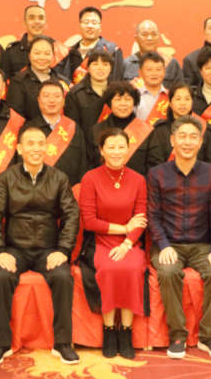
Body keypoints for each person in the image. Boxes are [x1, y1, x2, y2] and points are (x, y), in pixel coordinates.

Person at [0, 125, 80, 365]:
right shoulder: (7, 178)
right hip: (14, 249)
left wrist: (63, 250)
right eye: (30, 144)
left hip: (48, 249)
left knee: (63, 277)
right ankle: (1, 342)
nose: (36, 149)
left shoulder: (59, 178)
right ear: (19, 149)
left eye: (40, 144)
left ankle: (62, 343)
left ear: (47, 147)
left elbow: (71, 215)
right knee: (1, 276)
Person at [148, 115, 211, 360]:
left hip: (201, 244)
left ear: (201, 142)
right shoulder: (157, 174)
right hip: (168, 243)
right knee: (168, 271)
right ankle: (177, 335)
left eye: (193, 137)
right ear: (172, 140)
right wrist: (163, 245)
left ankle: (208, 336)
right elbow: (152, 215)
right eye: (182, 136)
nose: (187, 142)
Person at [78, 128, 148, 360]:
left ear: (128, 149)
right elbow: (89, 221)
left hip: (130, 243)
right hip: (101, 240)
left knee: (131, 267)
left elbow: (140, 219)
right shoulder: (90, 178)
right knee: (108, 267)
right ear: (101, 150)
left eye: (121, 147)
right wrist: (124, 228)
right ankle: (109, 330)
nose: (116, 152)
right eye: (111, 147)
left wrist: (127, 242)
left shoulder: (138, 179)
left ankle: (126, 331)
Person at [24, 80, 90, 186]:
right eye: (46, 96)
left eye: (57, 96)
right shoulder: (28, 130)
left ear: (63, 100)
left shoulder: (75, 129)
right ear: (39, 100)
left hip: (69, 191)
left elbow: (83, 165)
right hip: (36, 190)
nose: (52, 100)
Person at [146, 82, 211, 167]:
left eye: (187, 99)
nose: (183, 103)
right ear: (170, 103)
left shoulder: (206, 129)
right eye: (178, 99)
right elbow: (155, 163)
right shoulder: (159, 130)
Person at [89, 82, 155, 176]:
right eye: (118, 99)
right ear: (110, 103)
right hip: (102, 183)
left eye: (127, 99)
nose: (123, 104)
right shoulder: (96, 130)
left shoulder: (147, 131)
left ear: (134, 102)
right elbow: (90, 163)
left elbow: (154, 166)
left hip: (137, 184)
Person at [7, 36, 70, 122]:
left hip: (59, 129)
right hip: (30, 129)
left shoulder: (62, 81)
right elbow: (15, 118)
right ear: (29, 55)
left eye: (47, 53)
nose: (42, 58)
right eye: (37, 53)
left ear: (53, 56)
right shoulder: (18, 81)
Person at [59, 7, 124, 83]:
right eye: (86, 22)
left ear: (100, 27)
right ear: (79, 27)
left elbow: (116, 82)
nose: (90, 26)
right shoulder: (69, 52)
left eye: (94, 22)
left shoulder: (112, 51)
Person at [1, 5, 64, 78]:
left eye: (40, 18)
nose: (37, 22)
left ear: (46, 24)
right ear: (24, 23)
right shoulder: (12, 52)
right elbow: (4, 80)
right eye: (32, 18)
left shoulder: (58, 50)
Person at [122, 20, 184, 88]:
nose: (150, 38)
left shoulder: (171, 63)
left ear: (158, 37)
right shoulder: (125, 64)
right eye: (145, 34)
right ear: (136, 39)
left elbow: (181, 91)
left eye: (154, 34)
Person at [64, 51, 113, 135]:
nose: (100, 68)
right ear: (88, 68)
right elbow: (73, 127)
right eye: (95, 64)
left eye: (105, 64)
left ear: (111, 68)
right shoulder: (75, 94)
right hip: (85, 141)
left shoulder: (118, 92)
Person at [133, 52, 170, 123]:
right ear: (140, 72)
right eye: (149, 70)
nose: (154, 73)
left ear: (164, 72)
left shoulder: (171, 96)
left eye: (158, 69)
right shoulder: (133, 96)